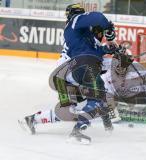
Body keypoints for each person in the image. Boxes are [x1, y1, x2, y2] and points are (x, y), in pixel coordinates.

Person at [23, 3, 117, 143]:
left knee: (69, 110)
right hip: (69, 73)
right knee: (94, 96)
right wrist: (108, 27)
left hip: (64, 77)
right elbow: (97, 17)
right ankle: (78, 131)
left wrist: (107, 50)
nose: (99, 34)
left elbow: (94, 52)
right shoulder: (76, 21)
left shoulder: (82, 36)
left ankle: (32, 120)